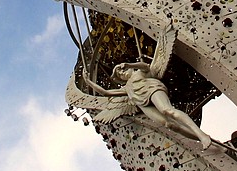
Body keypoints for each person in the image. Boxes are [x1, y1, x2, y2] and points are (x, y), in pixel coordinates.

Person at [84, 62, 213, 149]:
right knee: (169, 124)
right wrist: (88, 82)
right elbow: (105, 92)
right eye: (119, 74)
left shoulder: (138, 73)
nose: (122, 73)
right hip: (142, 102)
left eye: (123, 70)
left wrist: (130, 64)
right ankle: (200, 138)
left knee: (168, 111)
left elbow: (145, 66)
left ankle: (201, 135)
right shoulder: (126, 88)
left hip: (152, 90)